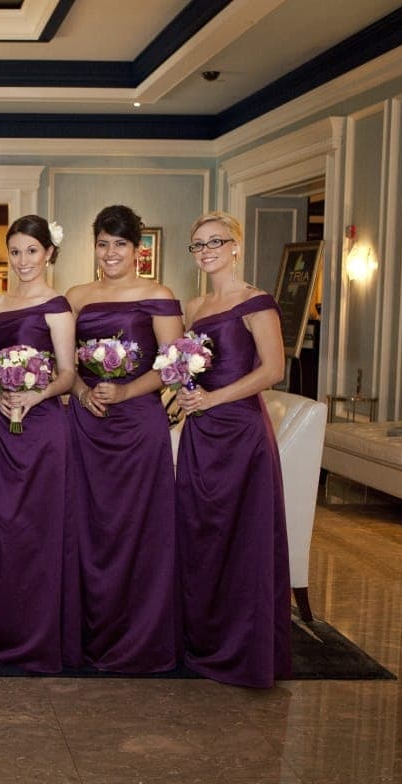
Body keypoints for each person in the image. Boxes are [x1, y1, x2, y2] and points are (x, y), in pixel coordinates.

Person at [175, 211, 292, 687]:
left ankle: (243, 649)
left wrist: (211, 398)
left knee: (243, 538)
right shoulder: (193, 306)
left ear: (236, 246)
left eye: (215, 242)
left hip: (241, 432)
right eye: (198, 244)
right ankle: (201, 640)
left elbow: (273, 371)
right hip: (200, 435)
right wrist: (183, 392)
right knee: (201, 535)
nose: (206, 251)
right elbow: (185, 366)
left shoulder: (255, 301)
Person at [66, 204, 183, 673]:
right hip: (87, 422)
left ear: (138, 249)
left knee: (139, 527)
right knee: (87, 525)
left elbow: (173, 364)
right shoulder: (75, 296)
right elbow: (64, 362)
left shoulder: (159, 294)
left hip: (138, 425)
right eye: (103, 243)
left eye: (120, 244)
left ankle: (140, 635)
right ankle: (86, 633)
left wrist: (126, 389)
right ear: (93, 246)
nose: (110, 252)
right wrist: (80, 390)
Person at [0, 216, 79, 671]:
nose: (23, 261)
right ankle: (3, 629)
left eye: (32, 251)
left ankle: (41, 637)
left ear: (49, 254)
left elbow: (67, 374)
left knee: (38, 531)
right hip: (0, 428)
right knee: (2, 529)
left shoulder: (57, 306)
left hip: (42, 430)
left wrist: (32, 395)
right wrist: (2, 395)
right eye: (15, 251)